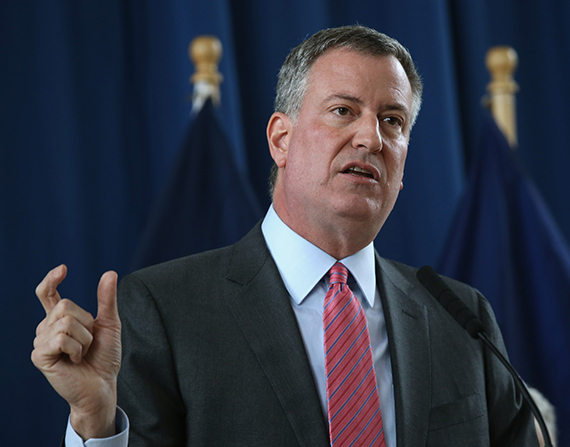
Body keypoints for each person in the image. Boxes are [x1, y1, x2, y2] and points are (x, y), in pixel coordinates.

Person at [32, 25, 538, 446]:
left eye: (392, 120)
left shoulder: (463, 319)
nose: (371, 138)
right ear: (281, 139)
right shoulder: (162, 310)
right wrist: (95, 426)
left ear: (404, 166)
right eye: (344, 111)